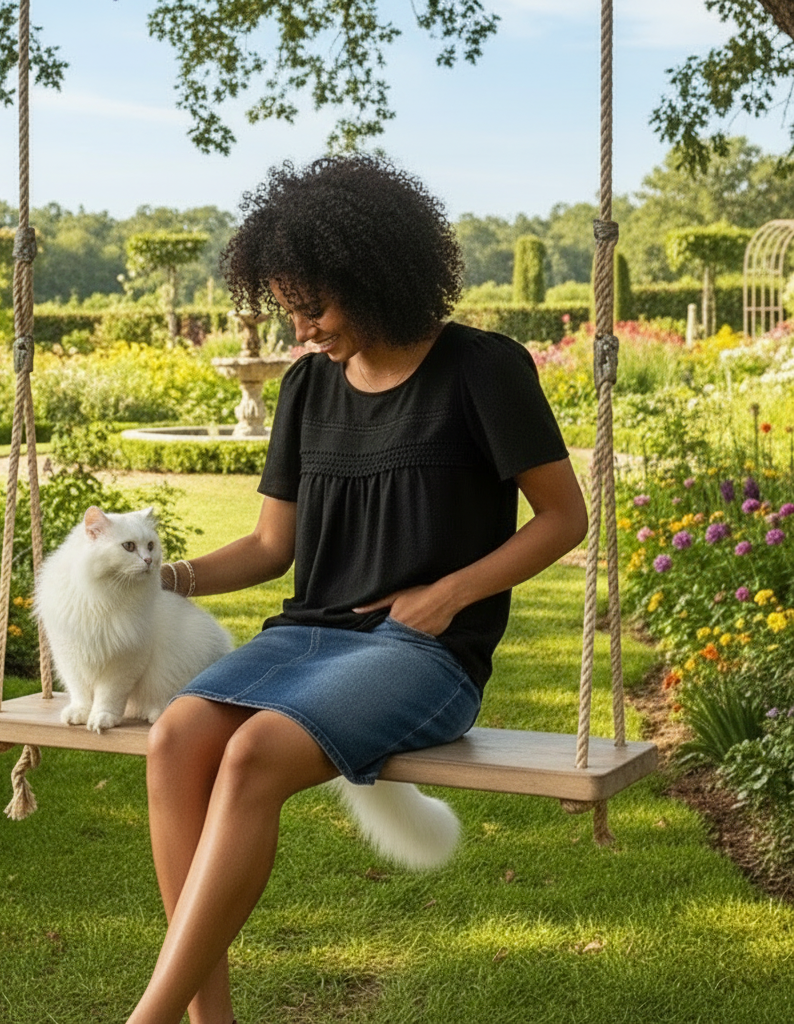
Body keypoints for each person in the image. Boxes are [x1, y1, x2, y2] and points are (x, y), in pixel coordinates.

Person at [128, 154, 588, 1024]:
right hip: (307, 636)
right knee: (177, 738)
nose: (302, 330)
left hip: (427, 653)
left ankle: (147, 1019)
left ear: (375, 277)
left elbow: (565, 519)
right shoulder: (307, 386)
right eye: (289, 309)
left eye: (316, 308)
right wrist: (158, 581)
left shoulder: (483, 369)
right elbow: (272, 547)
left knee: (254, 754)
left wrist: (448, 595)